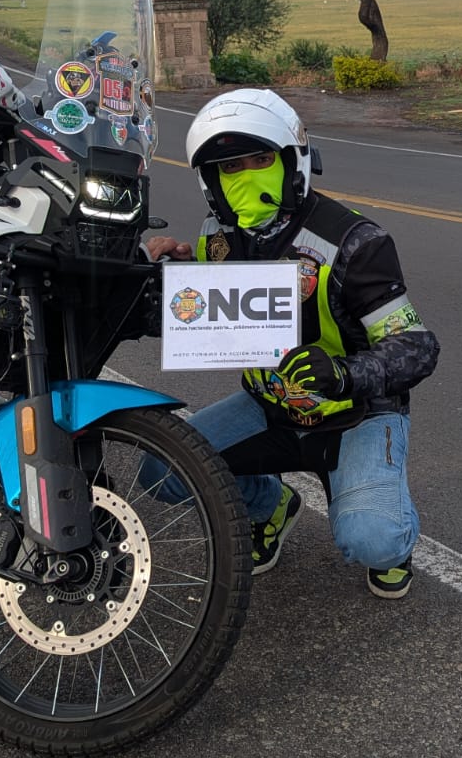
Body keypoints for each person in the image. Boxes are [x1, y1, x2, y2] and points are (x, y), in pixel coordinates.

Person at [143, 88, 439, 598]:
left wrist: (346, 373)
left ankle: (394, 535)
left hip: (357, 413)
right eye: (228, 167)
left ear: (293, 159)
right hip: (269, 407)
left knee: (373, 540)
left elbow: (416, 346)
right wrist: (161, 278)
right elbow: (206, 317)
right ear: (209, 179)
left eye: (259, 159)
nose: (244, 176)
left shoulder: (355, 241)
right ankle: (271, 505)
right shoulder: (218, 234)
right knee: (161, 470)